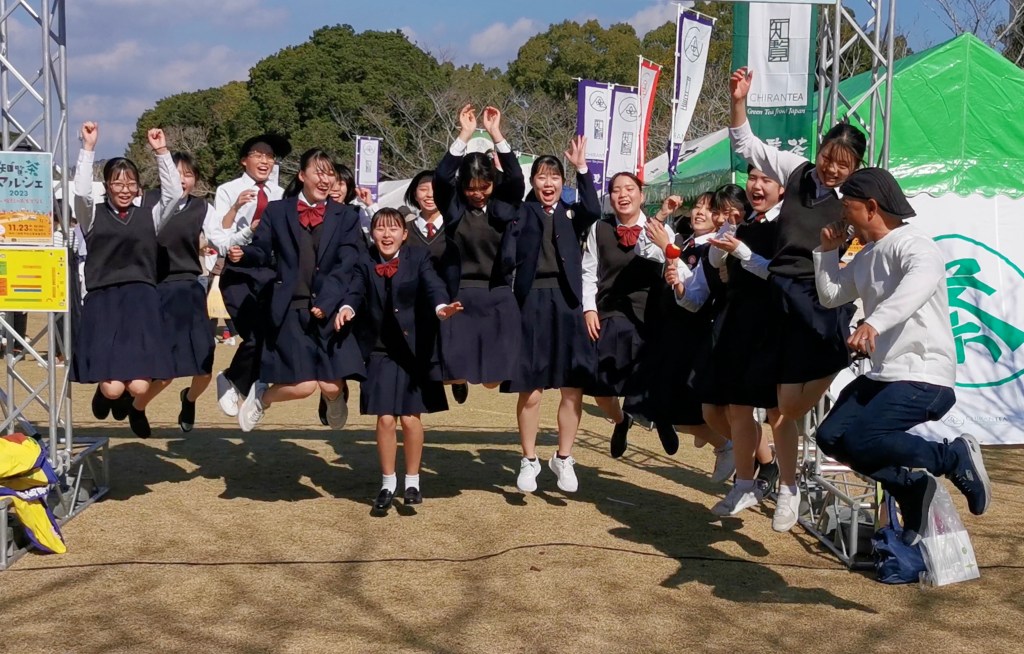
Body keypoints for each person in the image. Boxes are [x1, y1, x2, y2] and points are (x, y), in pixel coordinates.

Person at [813, 167, 991, 544]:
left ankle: (953, 456)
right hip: (885, 375)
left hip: (924, 375)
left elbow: (919, 283)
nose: (844, 215)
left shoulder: (915, 244)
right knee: (831, 436)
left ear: (872, 207)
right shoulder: (866, 255)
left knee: (862, 439)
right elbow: (831, 296)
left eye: (849, 207)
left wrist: (874, 323)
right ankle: (911, 489)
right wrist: (828, 254)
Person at [727, 66, 863, 532]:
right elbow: (748, 145)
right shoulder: (799, 172)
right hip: (781, 296)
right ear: (820, 149)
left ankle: (798, 468)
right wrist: (739, 100)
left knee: (797, 403)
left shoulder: (855, 200)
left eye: (843, 164)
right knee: (779, 410)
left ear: (855, 168)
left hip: (823, 303)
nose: (831, 167)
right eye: (829, 156)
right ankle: (788, 488)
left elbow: (876, 242)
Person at [336, 208, 463, 514]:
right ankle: (387, 482)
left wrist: (441, 307)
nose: (387, 234)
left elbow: (433, 285)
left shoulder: (418, 258)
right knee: (384, 418)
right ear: (373, 233)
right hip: (379, 350)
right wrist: (347, 308)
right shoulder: (365, 261)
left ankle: (413, 481)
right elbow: (355, 291)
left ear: (404, 235)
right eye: (380, 228)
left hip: (413, 349)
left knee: (409, 417)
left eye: (393, 229)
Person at [233, 148, 365, 432]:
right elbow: (261, 249)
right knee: (304, 386)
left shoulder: (347, 216)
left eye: (330, 173)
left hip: (330, 309)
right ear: (302, 175)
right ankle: (262, 398)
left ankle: (335, 399)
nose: (325, 179)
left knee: (330, 385)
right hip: (291, 308)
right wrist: (242, 254)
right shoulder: (278, 211)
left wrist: (329, 301)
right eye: (319, 172)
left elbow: (347, 264)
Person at [673, 184, 780, 516]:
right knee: (711, 410)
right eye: (716, 211)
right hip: (726, 322)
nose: (718, 217)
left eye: (723, 210)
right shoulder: (725, 236)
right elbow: (716, 260)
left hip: (758, 326)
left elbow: (773, 274)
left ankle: (758, 474)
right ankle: (764, 460)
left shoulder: (768, 231)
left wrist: (739, 247)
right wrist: (729, 234)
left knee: (742, 409)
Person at [503, 136, 600, 494]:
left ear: (563, 182)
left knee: (572, 386)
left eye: (554, 177)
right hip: (529, 302)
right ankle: (529, 459)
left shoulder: (572, 213)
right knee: (530, 388)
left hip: (568, 302)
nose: (548, 183)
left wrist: (582, 169)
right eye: (542, 177)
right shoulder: (521, 212)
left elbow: (594, 209)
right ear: (533, 182)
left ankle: (563, 456)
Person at [71, 122, 181, 432]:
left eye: (130, 183)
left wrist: (161, 151)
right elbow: (80, 192)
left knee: (140, 387)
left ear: (137, 187)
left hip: (141, 302)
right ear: (106, 185)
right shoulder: (91, 215)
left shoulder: (149, 216)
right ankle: (105, 394)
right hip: (104, 302)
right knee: (112, 388)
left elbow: (172, 194)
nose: (124, 189)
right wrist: (88, 148)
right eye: (117, 183)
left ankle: (129, 405)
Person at [637, 192, 735, 481]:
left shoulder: (714, 248)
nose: (700, 213)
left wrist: (670, 252)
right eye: (697, 207)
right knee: (673, 407)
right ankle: (722, 445)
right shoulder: (684, 240)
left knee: (689, 408)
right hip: (671, 330)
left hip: (696, 334)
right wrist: (662, 216)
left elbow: (695, 295)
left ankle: (730, 448)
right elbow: (644, 249)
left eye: (709, 208)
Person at [432, 105, 523, 403]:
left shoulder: (503, 206)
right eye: (471, 187)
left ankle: (476, 375)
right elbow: (441, 177)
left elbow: (516, 178)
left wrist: (496, 133)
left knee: (492, 381)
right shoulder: (454, 207)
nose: (477, 193)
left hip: (496, 293)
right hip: (460, 294)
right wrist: (465, 134)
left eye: (483, 187)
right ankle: (460, 380)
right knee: (454, 372)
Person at [581, 172, 673, 457]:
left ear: (641, 195)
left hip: (649, 315)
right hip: (608, 312)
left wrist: (658, 229)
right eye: (616, 190)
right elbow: (588, 271)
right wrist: (589, 308)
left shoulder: (660, 229)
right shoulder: (600, 228)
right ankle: (622, 421)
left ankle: (661, 417)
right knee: (601, 388)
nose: (623, 195)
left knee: (647, 375)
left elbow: (665, 258)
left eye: (629, 189)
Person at [128, 153, 220, 435]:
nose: (183, 179)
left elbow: (222, 238)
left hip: (191, 289)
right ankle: (137, 406)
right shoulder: (145, 202)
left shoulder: (203, 207)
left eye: (189, 174)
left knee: (204, 366)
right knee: (163, 371)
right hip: (153, 288)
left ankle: (189, 400)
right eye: (177, 172)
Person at [208, 134, 289, 419]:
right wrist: (236, 209)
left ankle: (243, 381)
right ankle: (232, 378)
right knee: (254, 335)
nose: (265, 160)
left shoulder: (280, 194)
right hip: (239, 270)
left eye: (269, 156)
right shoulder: (228, 190)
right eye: (258, 154)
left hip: (269, 270)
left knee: (270, 334)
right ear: (244, 160)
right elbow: (220, 236)